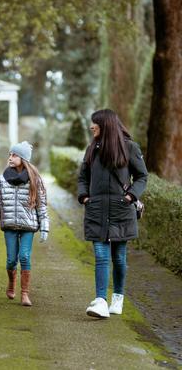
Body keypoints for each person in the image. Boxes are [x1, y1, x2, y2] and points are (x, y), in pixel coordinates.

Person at [78, 109, 148, 318]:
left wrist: (130, 197)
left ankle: (118, 296)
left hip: (121, 211)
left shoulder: (129, 148)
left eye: (95, 124)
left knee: (118, 257)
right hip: (96, 211)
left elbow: (142, 176)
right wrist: (84, 197)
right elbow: (83, 177)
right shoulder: (92, 150)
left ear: (105, 125)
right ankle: (100, 301)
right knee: (100, 256)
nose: (91, 127)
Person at [0, 141, 49, 307]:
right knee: (11, 260)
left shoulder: (35, 180)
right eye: (10, 154)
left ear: (23, 158)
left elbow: (42, 205)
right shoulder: (2, 179)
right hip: (9, 224)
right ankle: (11, 283)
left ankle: (24, 293)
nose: (10, 158)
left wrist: (44, 227)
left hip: (28, 226)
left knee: (24, 256)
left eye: (14, 155)